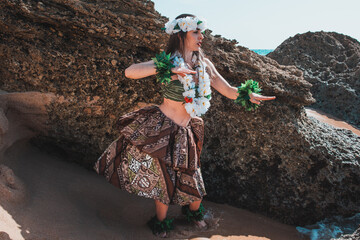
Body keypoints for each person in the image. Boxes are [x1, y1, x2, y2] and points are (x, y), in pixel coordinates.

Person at [94, 13, 275, 237]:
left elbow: (228, 90)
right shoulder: (169, 61)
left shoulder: (204, 64)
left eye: (202, 32)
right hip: (163, 127)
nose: (201, 37)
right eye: (196, 32)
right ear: (181, 34)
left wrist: (248, 94)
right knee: (164, 180)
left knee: (194, 180)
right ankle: (160, 222)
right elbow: (130, 72)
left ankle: (192, 215)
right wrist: (169, 70)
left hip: (186, 131)